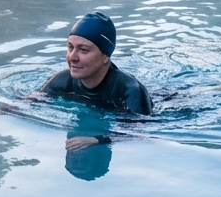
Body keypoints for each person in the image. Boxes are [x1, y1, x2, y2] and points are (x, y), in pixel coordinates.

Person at [40, 12, 153, 155]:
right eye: (70, 47)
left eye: (83, 50)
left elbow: (138, 134)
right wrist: (3, 113)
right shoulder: (62, 80)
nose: (72, 57)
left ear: (105, 57)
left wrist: (98, 140)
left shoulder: (130, 91)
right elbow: (29, 102)